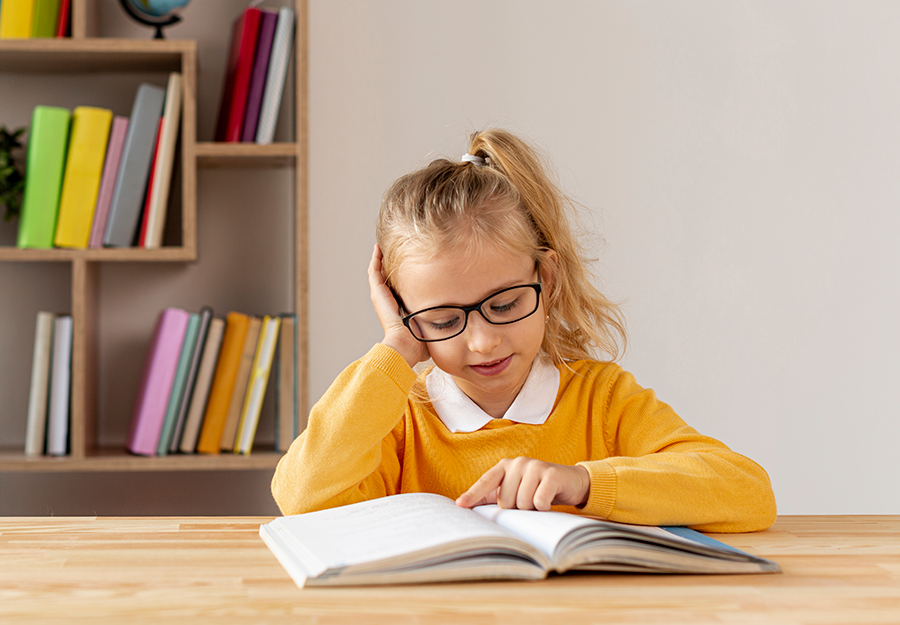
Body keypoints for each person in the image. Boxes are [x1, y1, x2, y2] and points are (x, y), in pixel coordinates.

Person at [272, 129, 776, 532]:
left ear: (546, 279)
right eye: (444, 320)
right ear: (406, 313)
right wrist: (396, 348)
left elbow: (747, 492)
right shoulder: (395, 419)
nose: (483, 341)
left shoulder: (602, 401)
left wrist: (583, 483)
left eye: (507, 303)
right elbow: (301, 496)